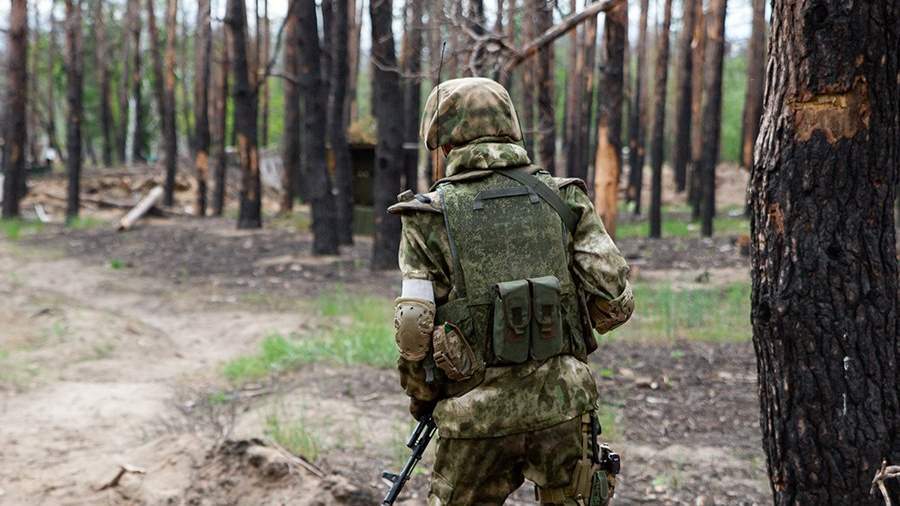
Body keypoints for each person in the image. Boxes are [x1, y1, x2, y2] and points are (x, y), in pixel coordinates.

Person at [388, 77, 634, 506]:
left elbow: (413, 329)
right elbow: (614, 300)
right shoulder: (565, 198)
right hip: (563, 405)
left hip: (473, 417)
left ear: (445, 141)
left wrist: (422, 399)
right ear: (510, 127)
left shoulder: (427, 216)